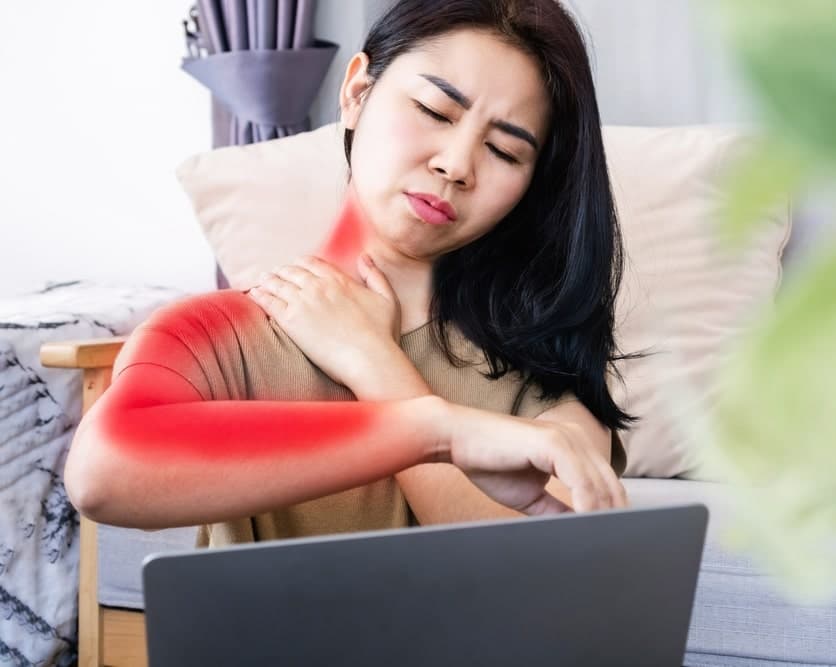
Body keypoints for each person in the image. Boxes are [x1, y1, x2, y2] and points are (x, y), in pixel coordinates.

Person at [64, 0, 634, 547]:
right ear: (357, 92)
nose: (457, 165)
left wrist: (377, 366)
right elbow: (102, 474)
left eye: (505, 152)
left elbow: (539, 579)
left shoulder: (544, 368)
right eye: (435, 112)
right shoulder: (220, 332)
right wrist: (436, 432)